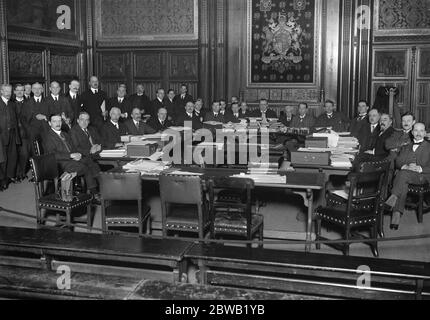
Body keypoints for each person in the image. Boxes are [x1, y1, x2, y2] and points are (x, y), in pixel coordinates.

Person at [43, 114, 100, 203]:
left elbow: (73, 148)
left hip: (71, 159)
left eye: (59, 121)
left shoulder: (65, 134)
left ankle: (99, 188)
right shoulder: (48, 137)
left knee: (90, 162)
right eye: (54, 121)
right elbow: (52, 155)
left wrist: (77, 154)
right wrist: (70, 156)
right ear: (50, 123)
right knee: (84, 167)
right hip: (59, 163)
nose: (58, 123)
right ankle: (94, 194)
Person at [384, 123, 430, 230]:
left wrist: (420, 168)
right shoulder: (406, 146)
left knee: (401, 175)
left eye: (421, 131)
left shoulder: (429, 147)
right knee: (402, 179)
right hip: (406, 175)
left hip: (423, 176)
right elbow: (398, 161)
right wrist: (405, 165)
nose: (418, 133)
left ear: (425, 133)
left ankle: (392, 198)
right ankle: (396, 215)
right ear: (412, 132)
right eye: (416, 131)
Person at [0, 84, 20, 191]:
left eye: (10, 91)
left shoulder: (12, 104)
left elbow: (15, 121)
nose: (8, 93)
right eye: (6, 91)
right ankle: (2, 180)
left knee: (12, 157)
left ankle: (9, 177)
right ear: (1, 91)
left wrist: (17, 136)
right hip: (1, 135)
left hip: (12, 134)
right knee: (2, 159)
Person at [21, 82, 49, 149]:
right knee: (34, 152)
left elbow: (53, 115)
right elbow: (22, 118)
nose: (37, 90)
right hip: (32, 132)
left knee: (46, 151)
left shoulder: (47, 102)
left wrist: (45, 117)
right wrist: (28, 129)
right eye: (35, 88)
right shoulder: (27, 102)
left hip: (45, 131)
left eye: (39, 88)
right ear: (32, 90)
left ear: (42, 90)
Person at [13, 84, 30, 182]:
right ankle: (14, 174)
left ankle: (22, 173)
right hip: (14, 133)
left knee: (24, 154)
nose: (20, 92)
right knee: (14, 154)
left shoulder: (28, 102)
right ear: (14, 92)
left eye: (21, 90)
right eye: (18, 90)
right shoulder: (11, 103)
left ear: (24, 91)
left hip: (25, 133)